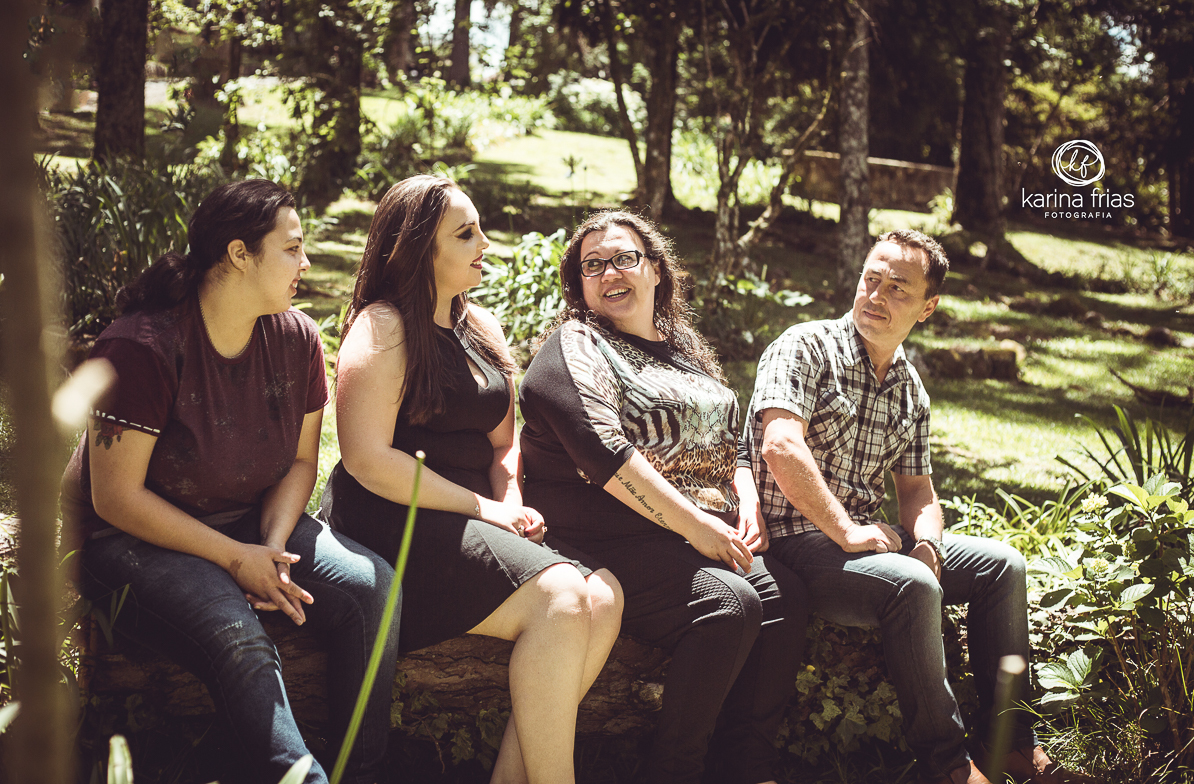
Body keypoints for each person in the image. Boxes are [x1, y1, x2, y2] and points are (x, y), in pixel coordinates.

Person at [61, 180, 399, 784]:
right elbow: (114, 498)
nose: (307, 262)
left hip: (246, 522)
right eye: (292, 248)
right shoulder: (141, 347)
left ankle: (362, 772)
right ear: (240, 254)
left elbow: (301, 461)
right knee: (236, 637)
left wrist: (269, 548)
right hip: (127, 539)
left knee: (373, 588)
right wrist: (235, 558)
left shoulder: (296, 338)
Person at [318, 175, 622, 784]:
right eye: (466, 233)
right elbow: (366, 460)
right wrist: (486, 509)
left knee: (605, 595)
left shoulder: (478, 324)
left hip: (475, 513)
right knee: (562, 598)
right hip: (393, 519)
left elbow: (505, 442)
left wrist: (509, 500)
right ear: (416, 250)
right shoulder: (382, 329)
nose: (486, 242)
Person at [743, 229, 1068, 784]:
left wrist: (926, 543)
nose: (876, 295)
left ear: (927, 307)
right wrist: (847, 531)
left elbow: (917, 490)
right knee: (910, 586)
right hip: (795, 543)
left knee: (1001, 567)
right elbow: (779, 447)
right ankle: (947, 766)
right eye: (872, 278)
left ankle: (1010, 743)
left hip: (862, 542)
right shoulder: (805, 346)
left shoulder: (909, 386)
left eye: (898, 288)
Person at [518, 210, 810, 784]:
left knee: (787, 599)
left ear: (655, 271)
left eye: (623, 258)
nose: (609, 273)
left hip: (686, 531)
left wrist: (744, 496)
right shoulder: (575, 345)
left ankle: (746, 767)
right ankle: (675, 770)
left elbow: (733, 441)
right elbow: (604, 452)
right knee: (728, 605)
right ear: (578, 285)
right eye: (592, 265)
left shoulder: (682, 352)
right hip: (605, 532)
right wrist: (697, 527)